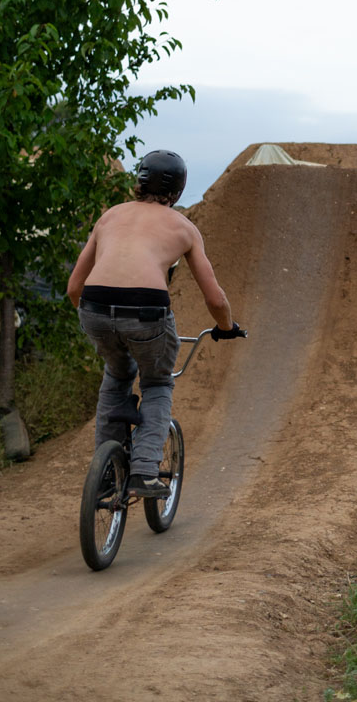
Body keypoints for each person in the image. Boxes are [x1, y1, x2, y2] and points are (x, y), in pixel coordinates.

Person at [67, 150, 242, 497]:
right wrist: (227, 326)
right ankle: (145, 472)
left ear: (139, 182)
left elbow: (74, 287)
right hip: (147, 313)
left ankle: (105, 475)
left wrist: (99, 322)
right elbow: (215, 299)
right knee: (157, 383)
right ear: (177, 191)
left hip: (94, 307)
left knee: (117, 375)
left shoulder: (110, 217)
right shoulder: (184, 228)